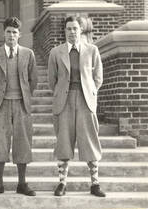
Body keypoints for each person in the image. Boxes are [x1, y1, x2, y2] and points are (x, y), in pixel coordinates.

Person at [48, 16, 106, 197]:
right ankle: (62, 183)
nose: (72, 32)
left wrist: (90, 92)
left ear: (80, 30)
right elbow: (52, 80)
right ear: (64, 31)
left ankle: (95, 183)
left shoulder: (92, 50)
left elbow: (98, 77)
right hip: (64, 101)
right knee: (64, 141)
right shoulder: (56, 52)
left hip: (85, 100)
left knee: (90, 141)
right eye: (68, 29)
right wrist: (61, 93)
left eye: (75, 28)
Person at [0, 17, 37, 196]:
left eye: (15, 32)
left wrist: (23, 96)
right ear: (3, 33)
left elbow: (33, 80)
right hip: (0, 105)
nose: (11, 35)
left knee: (23, 142)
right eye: (8, 32)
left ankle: (22, 184)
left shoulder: (28, 54)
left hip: (22, 104)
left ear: (19, 35)